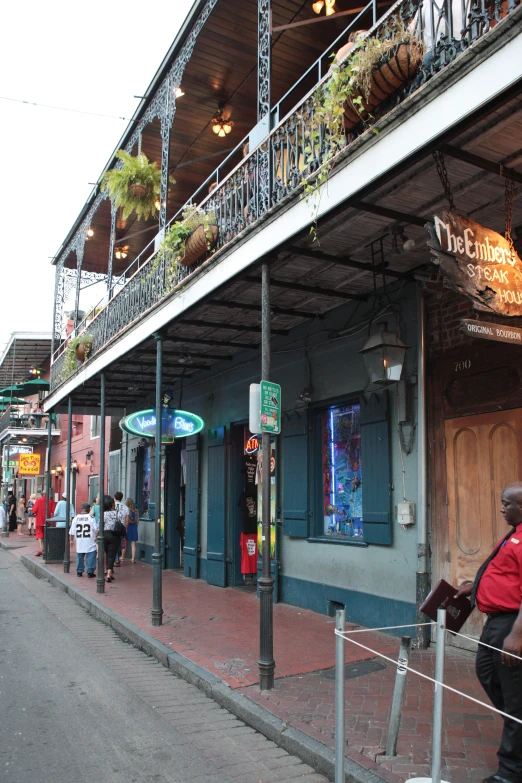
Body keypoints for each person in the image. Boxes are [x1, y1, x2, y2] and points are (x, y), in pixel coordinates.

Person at [455, 482, 522, 783]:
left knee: (515, 698)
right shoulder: (514, 534)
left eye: (507, 503)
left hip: (512, 625)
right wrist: (476, 587)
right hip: (495, 623)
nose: (501, 508)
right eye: (502, 502)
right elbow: (504, 575)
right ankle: (516, 729)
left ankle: (510, 773)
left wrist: (517, 635)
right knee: (488, 675)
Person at [69, 502, 98, 578]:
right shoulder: (91, 518)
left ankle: (79, 571)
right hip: (89, 540)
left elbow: (72, 531)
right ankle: (90, 571)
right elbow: (96, 529)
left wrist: (71, 540)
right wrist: (96, 536)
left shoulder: (76, 518)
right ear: (88, 508)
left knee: (79, 556)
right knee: (91, 555)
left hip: (80, 540)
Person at [102, 495, 125, 583]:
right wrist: (123, 536)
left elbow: (99, 526)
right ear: (112, 505)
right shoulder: (118, 513)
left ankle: (108, 571)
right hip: (115, 535)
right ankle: (109, 573)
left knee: (108, 554)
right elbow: (122, 525)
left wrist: (95, 536)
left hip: (105, 534)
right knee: (112, 555)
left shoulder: (103, 513)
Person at [33, 492, 56, 556]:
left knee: (39, 534)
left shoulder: (38, 500)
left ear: (42, 495)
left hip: (39, 520)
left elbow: (34, 510)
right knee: (46, 534)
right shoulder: (50, 501)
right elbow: (53, 511)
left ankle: (41, 548)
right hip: (47, 520)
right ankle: (47, 548)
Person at [113, 492, 129, 566]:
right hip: (121, 527)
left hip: (112, 526)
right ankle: (118, 557)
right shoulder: (125, 507)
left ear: (115, 498)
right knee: (120, 542)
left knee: (113, 543)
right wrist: (125, 528)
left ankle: (115, 559)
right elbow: (127, 519)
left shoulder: (112, 505)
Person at [125, 498, 138, 563]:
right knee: (133, 544)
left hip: (129, 526)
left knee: (125, 541)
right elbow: (137, 520)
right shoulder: (136, 510)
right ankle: (133, 558)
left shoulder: (127, 510)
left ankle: (122, 556)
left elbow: (127, 519)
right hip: (134, 526)